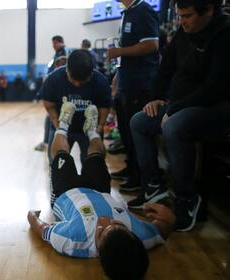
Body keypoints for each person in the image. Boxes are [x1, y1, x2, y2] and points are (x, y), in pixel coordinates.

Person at [27, 102, 176, 280]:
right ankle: (91, 130)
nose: (104, 220)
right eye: (117, 224)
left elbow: (43, 230)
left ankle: (63, 124)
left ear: (98, 253)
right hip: (99, 191)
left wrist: (32, 217)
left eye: (100, 231)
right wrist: (166, 217)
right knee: (96, 156)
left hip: (65, 194)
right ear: (133, 237)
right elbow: (164, 228)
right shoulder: (143, 237)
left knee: (60, 155)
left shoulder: (71, 241)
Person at [128, 0, 230, 231]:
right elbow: (165, 70)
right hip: (183, 105)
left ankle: (187, 199)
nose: (182, 21)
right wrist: (155, 98)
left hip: (217, 107)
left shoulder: (224, 34)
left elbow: (215, 88)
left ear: (209, 9)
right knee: (139, 121)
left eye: (188, 16)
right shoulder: (184, 32)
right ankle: (154, 184)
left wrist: (174, 108)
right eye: (180, 15)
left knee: (173, 126)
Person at [107, 0, 160, 192]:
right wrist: (117, 77)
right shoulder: (127, 12)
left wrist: (119, 51)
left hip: (141, 84)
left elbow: (152, 44)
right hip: (126, 84)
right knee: (125, 132)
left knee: (136, 133)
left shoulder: (143, 10)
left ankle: (143, 178)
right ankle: (132, 169)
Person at [42, 49, 111, 163]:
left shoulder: (101, 82)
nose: (77, 84)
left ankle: (92, 131)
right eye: (73, 80)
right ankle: (63, 126)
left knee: (95, 163)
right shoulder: (53, 79)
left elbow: (104, 108)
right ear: (67, 69)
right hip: (61, 123)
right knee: (58, 163)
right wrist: (58, 125)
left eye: (82, 82)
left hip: (89, 126)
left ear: (91, 73)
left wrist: (99, 128)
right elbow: (49, 105)